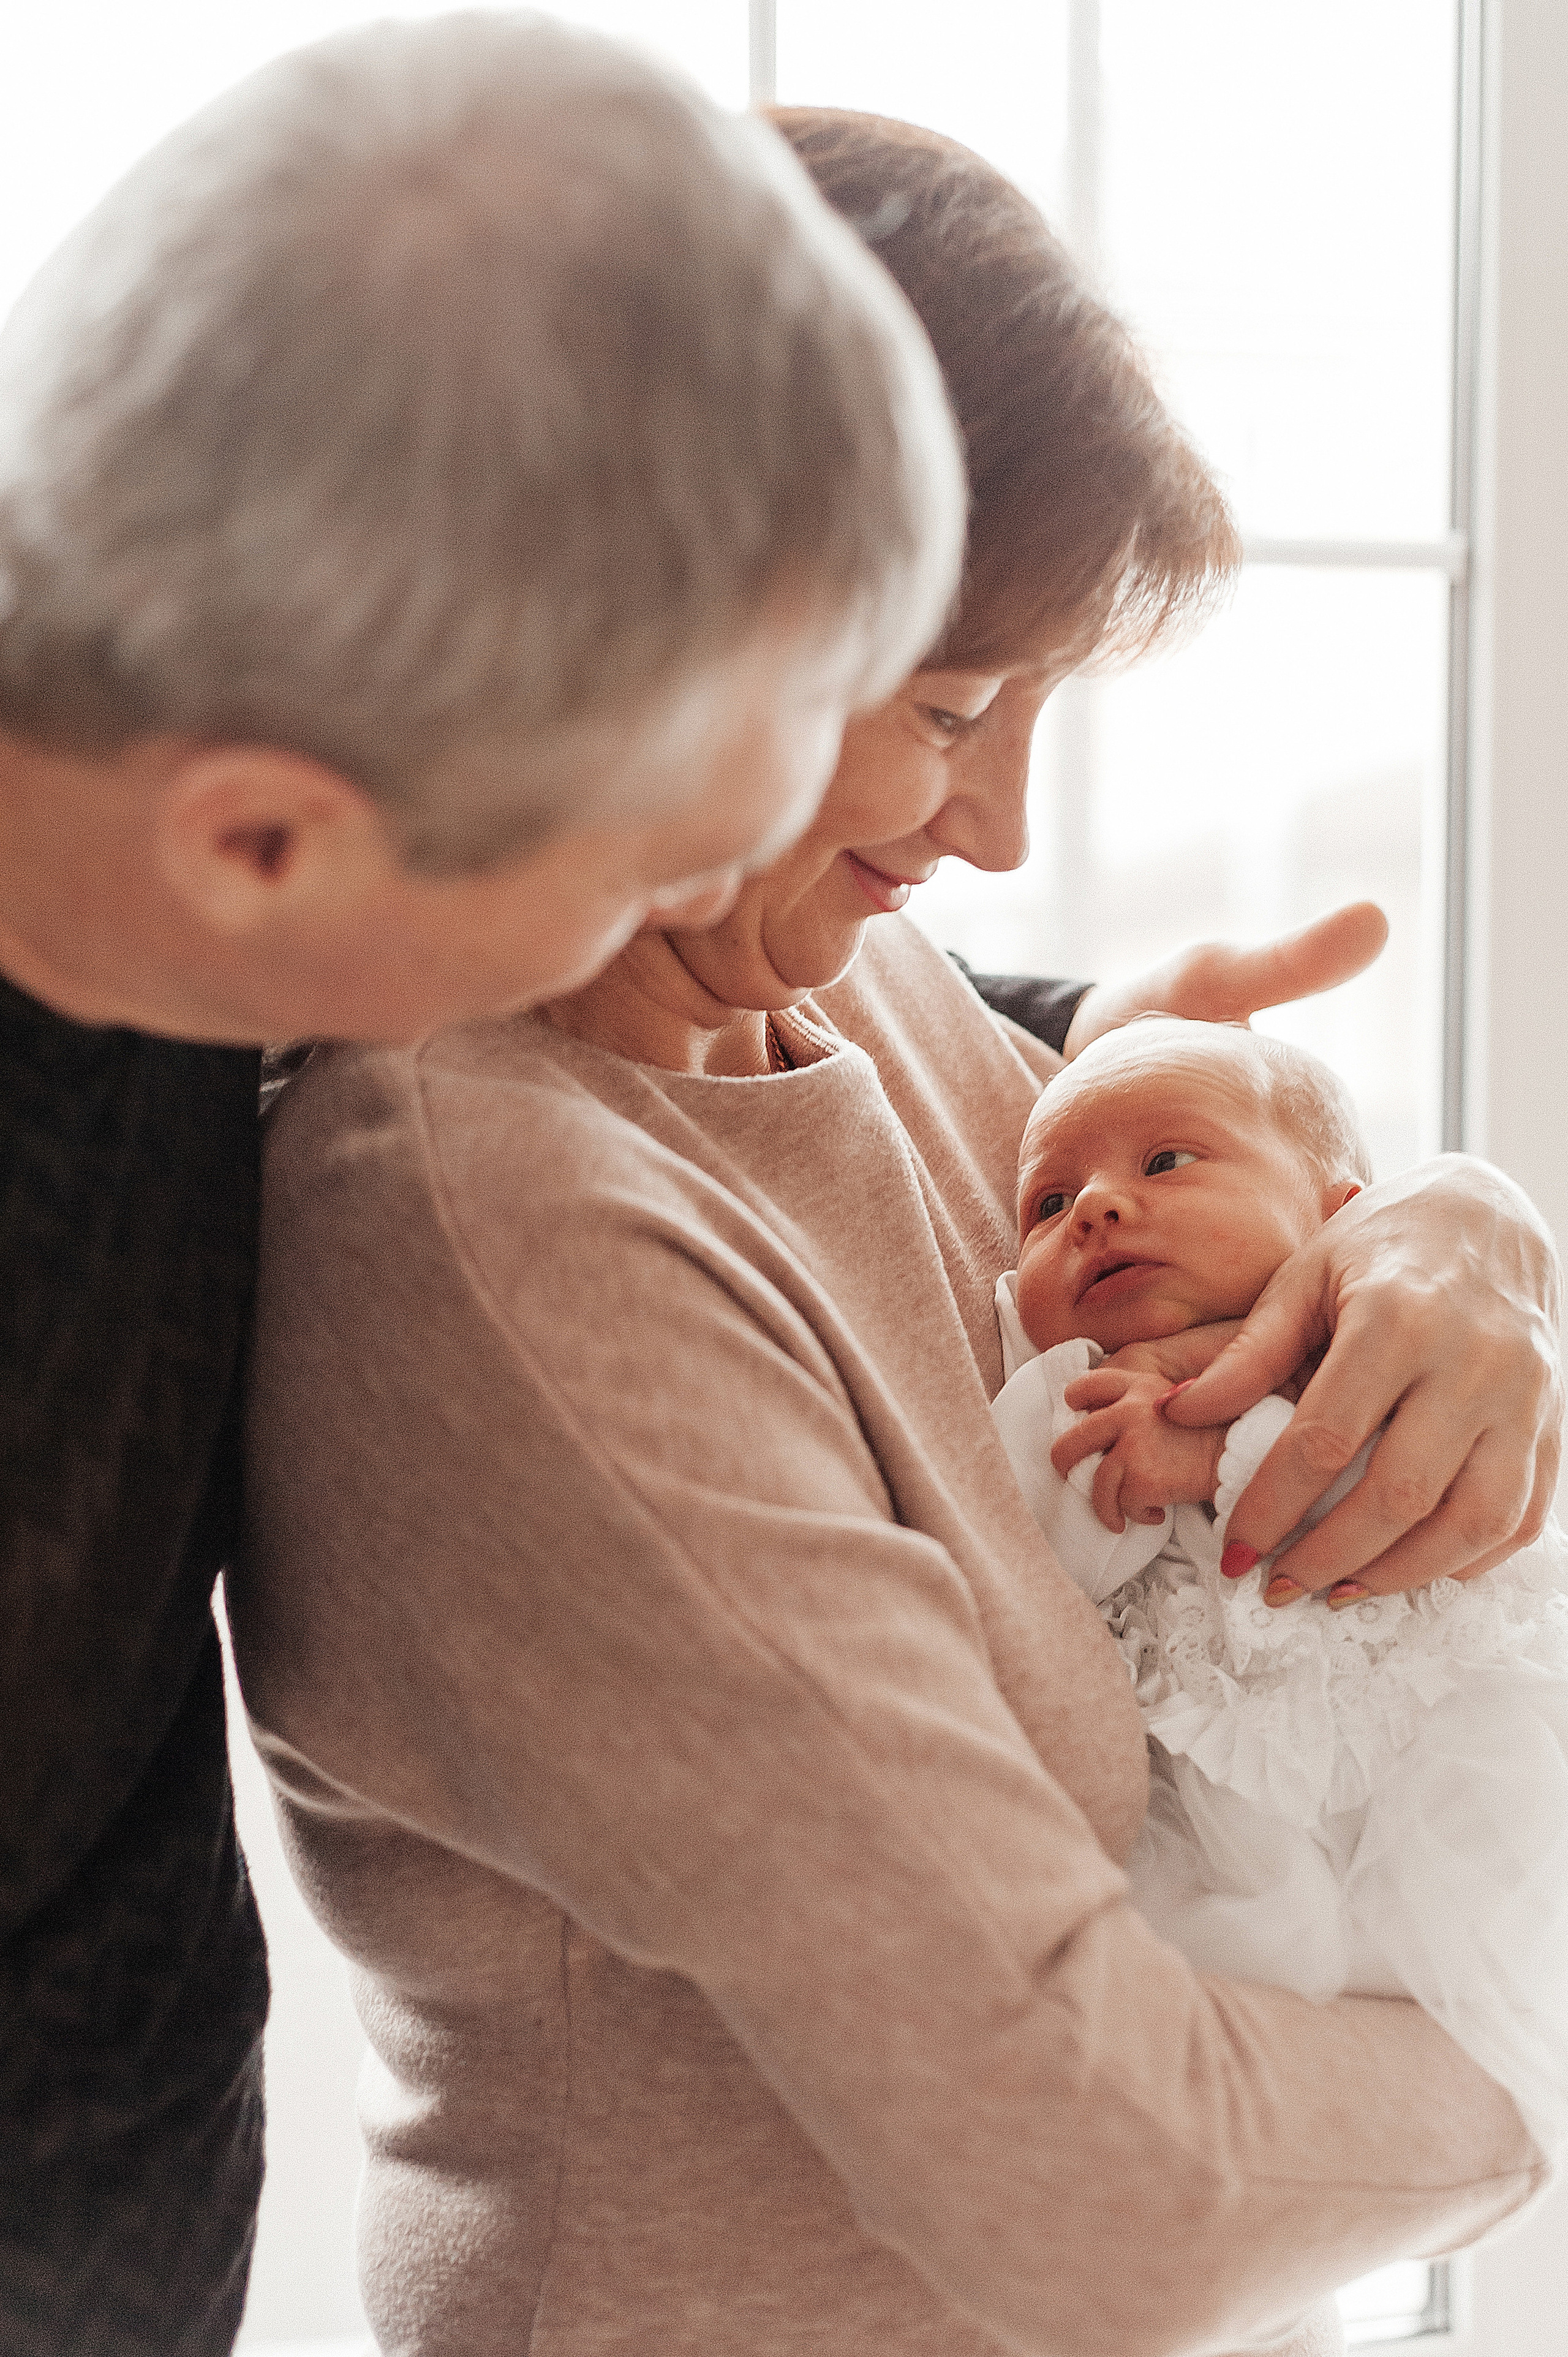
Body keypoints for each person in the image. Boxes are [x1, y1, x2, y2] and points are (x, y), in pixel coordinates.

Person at [232, 112, 1560, 2356]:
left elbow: (1227, 1285)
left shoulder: (827, 985)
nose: (1006, 817)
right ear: (645, 636)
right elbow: (1111, 2182)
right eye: (953, 708)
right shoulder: (500, 1226)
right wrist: (1535, 2032)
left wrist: (1458, 1222)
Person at [0, 24, 971, 2352]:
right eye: (655, 864)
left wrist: (1302, 1135)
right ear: (260, 839)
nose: (705, 924)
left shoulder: (213, 762)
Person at [992, 1016, 1568, 2168]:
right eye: (1048, 1206)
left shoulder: (1389, 1337)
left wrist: (1223, 1447)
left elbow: (1423, 1491)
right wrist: (1117, 1446)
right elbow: (1015, 1539)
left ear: (1338, 1218)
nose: (1096, 1208)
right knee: (1217, 1950)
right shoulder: (1074, 1390)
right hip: (1231, 1836)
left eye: (1165, 1163)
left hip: (1461, 1769)